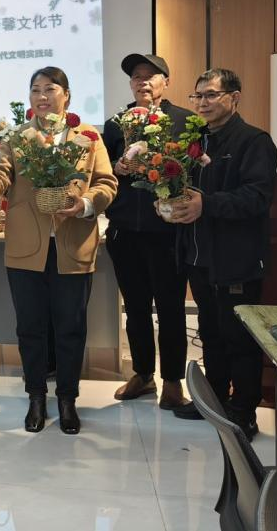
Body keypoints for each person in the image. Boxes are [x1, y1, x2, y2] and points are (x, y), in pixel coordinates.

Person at [0, 67, 117, 435]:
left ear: (66, 95)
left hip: (73, 244)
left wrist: (85, 204)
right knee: (30, 328)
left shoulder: (88, 137)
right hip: (26, 248)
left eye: (49, 89)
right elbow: (1, 170)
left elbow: (106, 183)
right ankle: (36, 396)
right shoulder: (18, 136)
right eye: (35, 89)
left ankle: (67, 399)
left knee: (71, 328)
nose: (41, 96)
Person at [168, 68, 277, 442]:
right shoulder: (195, 140)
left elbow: (257, 197)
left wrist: (207, 204)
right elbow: (183, 188)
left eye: (211, 95)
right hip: (199, 255)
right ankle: (214, 402)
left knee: (239, 338)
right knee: (211, 333)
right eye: (197, 96)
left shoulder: (254, 141)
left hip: (236, 258)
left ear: (234, 97)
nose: (202, 103)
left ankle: (244, 411)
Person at [102, 54, 196, 411]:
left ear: (165, 82)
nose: (142, 81)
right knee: (135, 307)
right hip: (125, 229)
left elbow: (194, 170)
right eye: (136, 76)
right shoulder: (116, 123)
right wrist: (119, 166)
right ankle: (142, 374)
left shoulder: (184, 121)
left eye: (150, 76)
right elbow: (104, 172)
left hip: (167, 231)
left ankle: (172, 380)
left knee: (170, 307)